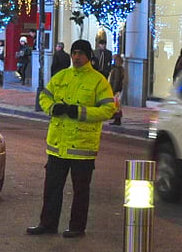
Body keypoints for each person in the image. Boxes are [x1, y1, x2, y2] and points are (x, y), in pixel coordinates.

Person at [27, 39, 117, 238]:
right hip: (58, 145)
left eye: (81, 53)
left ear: (88, 56)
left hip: (82, 147)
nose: (76, 57)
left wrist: (81, 112)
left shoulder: (98, 81)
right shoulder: (62, 76)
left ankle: (77, 227)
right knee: (52, 188)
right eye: (74, 53)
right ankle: (47, 224)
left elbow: (108, 109)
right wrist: (52, 108)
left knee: (80, 191)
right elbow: (44, 96)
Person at [107, 53, 126, 125]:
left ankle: (117, 118)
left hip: (116, 89)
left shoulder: (117, 70)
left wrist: (113, 90)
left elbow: (116, 81)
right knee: (117, 104)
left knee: (116, 104)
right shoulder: (120, 69)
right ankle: (117, 118)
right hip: (118, 89)